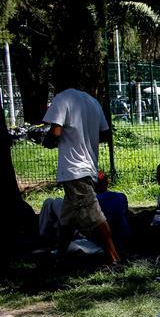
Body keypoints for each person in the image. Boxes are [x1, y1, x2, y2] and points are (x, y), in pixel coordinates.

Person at [42, 83, 121, 264]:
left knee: (96, 216)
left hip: (73, 169)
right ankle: (60, 255)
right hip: (88, 166)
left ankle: (113, 257)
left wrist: (48, 141)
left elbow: (56, 131)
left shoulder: (64, 98)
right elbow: (105, 134)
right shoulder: (93, 102)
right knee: (67, 219)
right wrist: (85, 137)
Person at [95, 171, 131, 251]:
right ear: (108, 183)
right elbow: (126, 213)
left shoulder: (93, 201)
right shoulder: (121, 196)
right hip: (124, 235)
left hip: (103, 239)